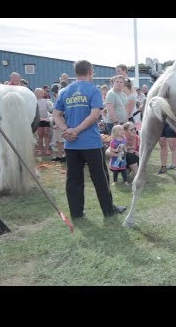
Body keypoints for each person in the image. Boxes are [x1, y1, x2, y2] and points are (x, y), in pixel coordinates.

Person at [53, 60, 126, 219]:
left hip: (71, 144)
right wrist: (75, 130)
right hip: (91, 143)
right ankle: (108, 210)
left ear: (76, 72)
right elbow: (94, 115)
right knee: (100, 178)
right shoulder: (93, 90)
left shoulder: (64, 91)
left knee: (73, 180)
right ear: (90, 71)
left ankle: (76, 213)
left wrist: (67, 130)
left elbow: (56, 115)